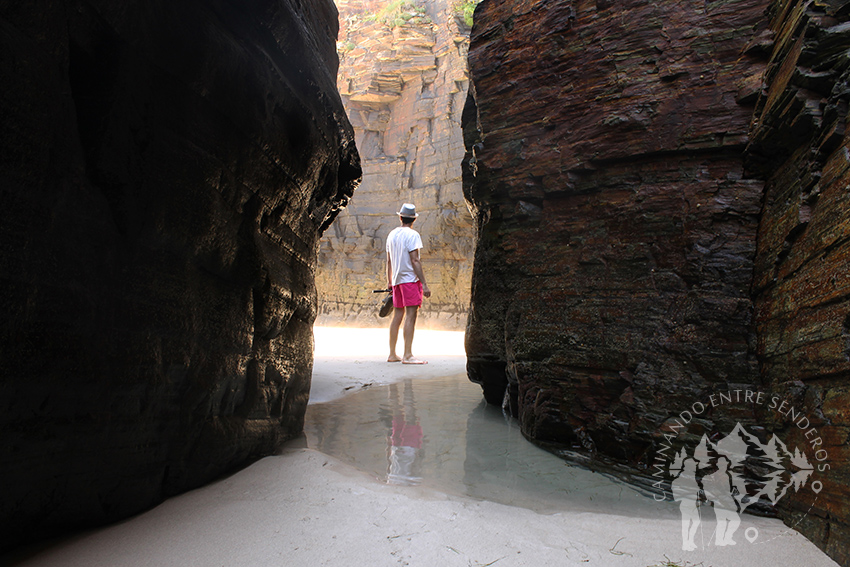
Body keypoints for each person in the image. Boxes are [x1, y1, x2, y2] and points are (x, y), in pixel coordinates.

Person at [386, 203, 431, 364]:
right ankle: (407, 355)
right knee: (411, 316)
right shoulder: (413, 235)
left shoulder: (391, 235)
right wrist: (424, 284)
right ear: (414, 219)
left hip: (397, 281)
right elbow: (415, 260)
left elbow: (389, 261)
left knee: (397, 315)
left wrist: (390, 282)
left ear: (400, 217)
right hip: (410, 281)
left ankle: (392, 354)